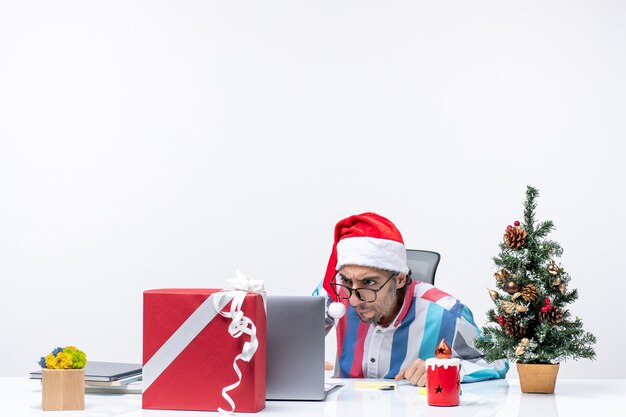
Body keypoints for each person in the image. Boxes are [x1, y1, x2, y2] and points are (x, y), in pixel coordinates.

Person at [314, 212, 508, 386]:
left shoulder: (446, 312)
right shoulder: (337, 294)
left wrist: (447, 370)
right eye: (347, 280)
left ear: (399, 278)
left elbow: (497, 361)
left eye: (369, 282)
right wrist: (295, 359)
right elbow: (290, 337)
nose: (354, 301)